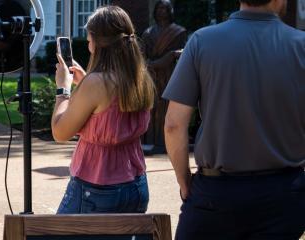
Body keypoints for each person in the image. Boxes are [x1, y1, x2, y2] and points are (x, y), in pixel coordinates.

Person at [162, 0, 305, 238]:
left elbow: (173, 124)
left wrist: (185, 181)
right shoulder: (301, 46)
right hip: (285, 193)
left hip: (215, 193)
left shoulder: (202, 41)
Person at [50, 6, 155, 214]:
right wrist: (85, 82)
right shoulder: (140, 77)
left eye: (89, 41)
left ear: (98, 43)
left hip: (95, 188)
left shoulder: (96, 84)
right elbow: (110, 110)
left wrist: (63, 88)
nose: (88, 46)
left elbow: (60, 132)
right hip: (136, 185)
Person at [140, 0, 187, 153]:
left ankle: (165, 140)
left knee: (167, 106)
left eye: (165, 8)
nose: (162, 11)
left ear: (170, 11)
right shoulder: (148, 33)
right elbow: (143, 56)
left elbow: (181, 53)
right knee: (152, 106)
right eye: (159, 8)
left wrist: (170, 57)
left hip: (170, 74)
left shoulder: (179, 32)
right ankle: (150, 139)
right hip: (152, 75)